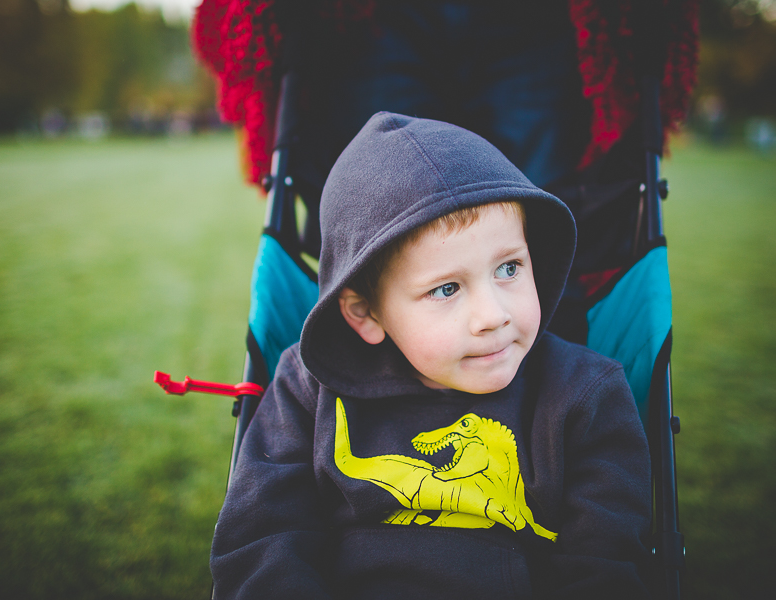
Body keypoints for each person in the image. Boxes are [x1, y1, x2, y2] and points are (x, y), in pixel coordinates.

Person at [210, 112, 652, 599]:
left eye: (509, 267)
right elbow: (262, 540)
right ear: (367, 314)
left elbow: (603, 566)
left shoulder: (585, 395)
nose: (492, 315)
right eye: (446, 289)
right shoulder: (308, 390)